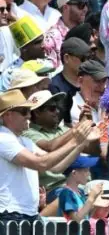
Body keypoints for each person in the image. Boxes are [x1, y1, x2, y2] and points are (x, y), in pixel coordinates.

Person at [0, 89, 96, 222]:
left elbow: (56, 167)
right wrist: (75, 140)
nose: (28, 116)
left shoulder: (24, 140)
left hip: (28, 214)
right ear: (7, 115)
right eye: (24, 112)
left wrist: (80, 143)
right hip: (10, 214)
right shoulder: (3, 138)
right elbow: (41, 163)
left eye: (29, 111)